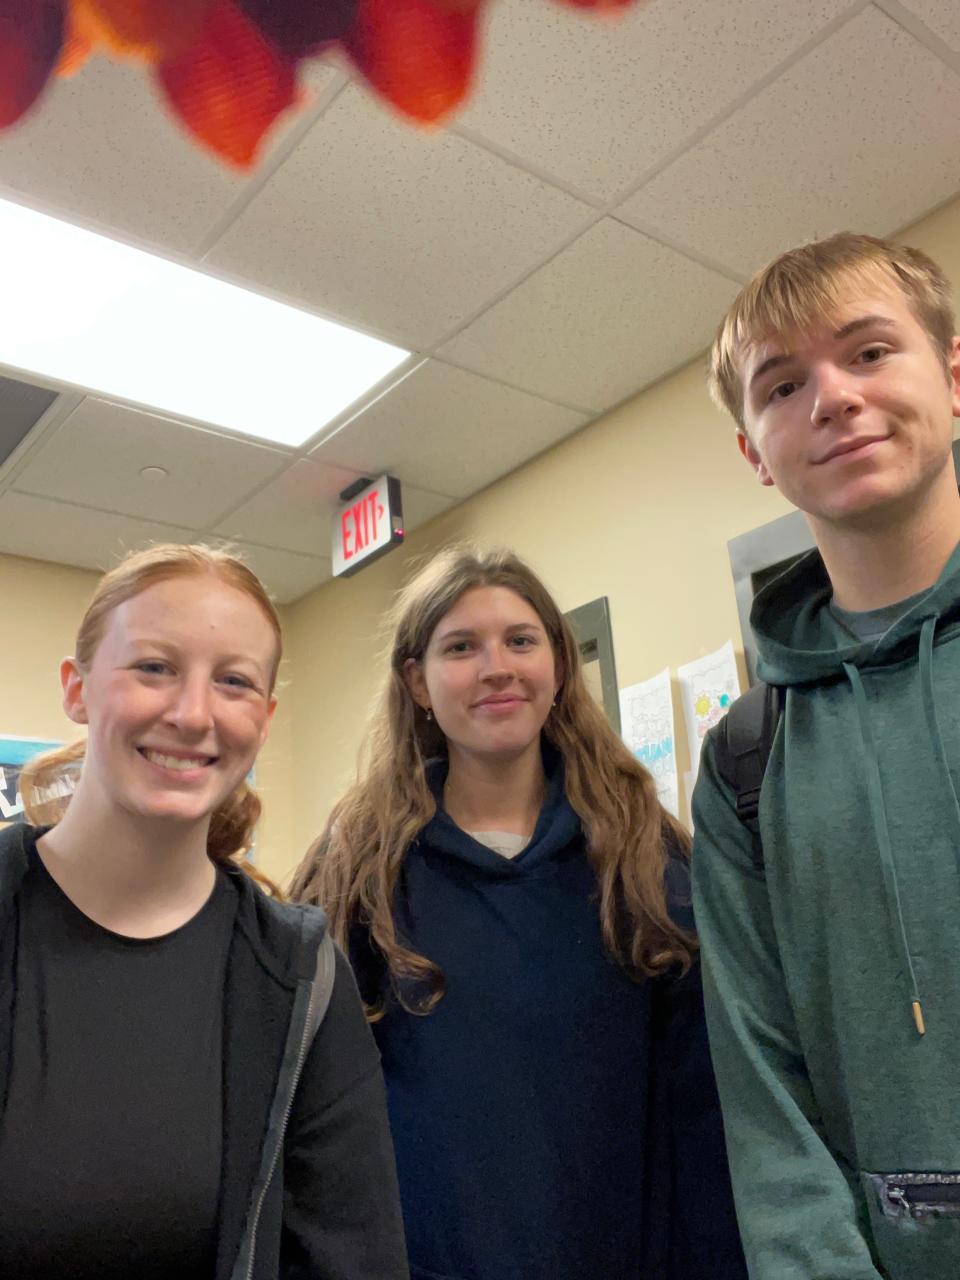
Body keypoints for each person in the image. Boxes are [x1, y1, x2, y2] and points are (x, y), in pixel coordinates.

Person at [291, 545, 745, 1280]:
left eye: (520, 640)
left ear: (558, 665)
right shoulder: (358, 873)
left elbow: (705, 1102)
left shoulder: (646, 858)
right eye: (461, 647)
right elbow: (321, 1117)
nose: (496, 667)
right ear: (417, 681)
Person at [0, 543, 409, 1280]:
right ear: (77, 688)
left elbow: (354, 1254)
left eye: (233, 682)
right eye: (154, 667)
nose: (193, 714)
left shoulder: (299, 977)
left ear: (265, 718)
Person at [692, 232, 960, 1279]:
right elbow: (764, 1085)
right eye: (783, 384)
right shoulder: (744, 760)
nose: (834, 398)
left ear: (952, 375)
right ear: (756, 453)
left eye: (869, 352)